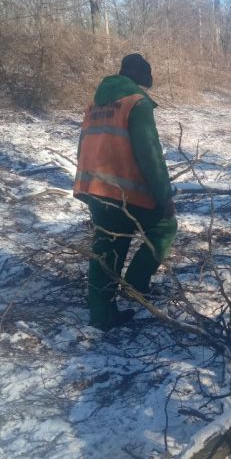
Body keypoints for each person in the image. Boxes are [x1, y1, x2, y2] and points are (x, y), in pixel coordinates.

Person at [73, 54, 177, 331]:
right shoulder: (137, 104)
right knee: (164, 227)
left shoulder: (96, 103)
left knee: (107, 245)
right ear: (143, 79)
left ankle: (101, 312)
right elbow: (150, 155)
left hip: (95, 187)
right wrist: (164, 195)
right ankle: (135, 285)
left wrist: (83, 186)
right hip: (124, 192)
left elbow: (83, 145)